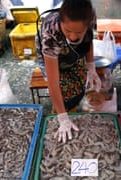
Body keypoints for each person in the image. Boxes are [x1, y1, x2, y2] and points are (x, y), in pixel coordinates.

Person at [35, 0, 101, 143]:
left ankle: (73, 109)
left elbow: (88, 40)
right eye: (68, 31)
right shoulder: (50, 33)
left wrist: (91, 67)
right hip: (51, 59)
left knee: (79, 84)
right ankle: (60, 116)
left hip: (73, 54)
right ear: (61, 21)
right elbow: (53, 83)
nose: (72, 36)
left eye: (78, 32)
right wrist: (62, 118)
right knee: (64, 90)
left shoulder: (90, 18)